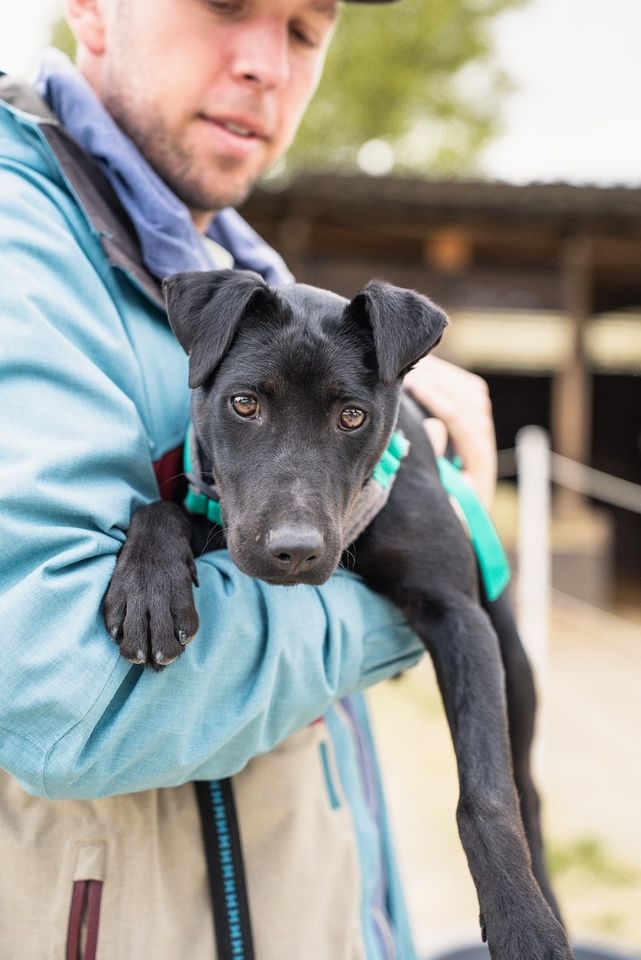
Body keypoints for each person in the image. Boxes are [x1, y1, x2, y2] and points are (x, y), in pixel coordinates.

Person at [0, 1, 497, 957]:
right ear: (94, 10)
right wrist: (420, 591)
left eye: (306, 30)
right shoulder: (26, 240)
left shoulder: (231, 270)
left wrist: (374, 412)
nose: (267, 63)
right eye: (226, 4)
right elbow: (71, 700)